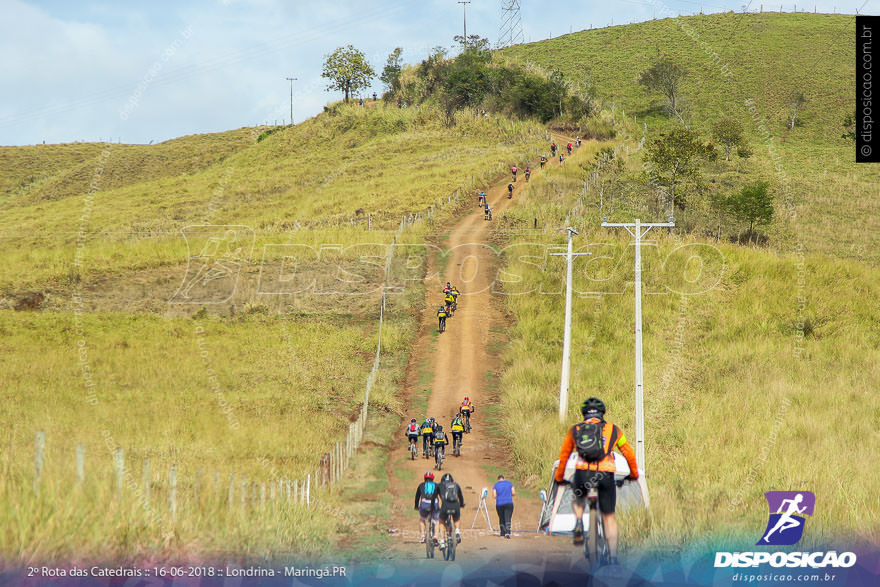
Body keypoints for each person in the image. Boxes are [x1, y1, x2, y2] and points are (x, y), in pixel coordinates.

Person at [553, 397, 639, 565]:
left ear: (584, 413)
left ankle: (578, 521)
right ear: (602, 412)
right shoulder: (614, 430)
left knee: (578, 496)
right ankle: (613, 558)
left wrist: (559, 478)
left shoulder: (575, 430)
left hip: (583, 473)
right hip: (605, 475)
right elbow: (628, 452)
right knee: (609, 517)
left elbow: (564, 456)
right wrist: (633, 474)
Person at [436, 473, 465, 550]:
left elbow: (434, 497)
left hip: (445, 506)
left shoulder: (439, 485)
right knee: (456, 518)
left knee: (441, 521)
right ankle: (457, 531)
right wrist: (461, 504)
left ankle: (442, 542)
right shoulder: (456, 485)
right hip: (455, 505)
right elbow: (460, 496)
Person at [414, 472, 440, 544]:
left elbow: (417, 497)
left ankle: (422, 536)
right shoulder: (436, 485)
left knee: (422, 519)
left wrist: (416, 506)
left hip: (424, 504)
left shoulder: (421, 485)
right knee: (437, 520)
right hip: (434, 504)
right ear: (433, 478)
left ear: (424, 478)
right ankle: (436, 536)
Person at [493, 474, 516, 539]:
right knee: (508, 517)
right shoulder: (509, 483)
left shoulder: (496, 485)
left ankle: (502, 533)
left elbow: (494, 495)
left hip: (499, 503)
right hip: (509, 503)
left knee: (501, 518)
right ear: (504, 478)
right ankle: (508, 532)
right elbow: (513, 493)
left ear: (498, 479)